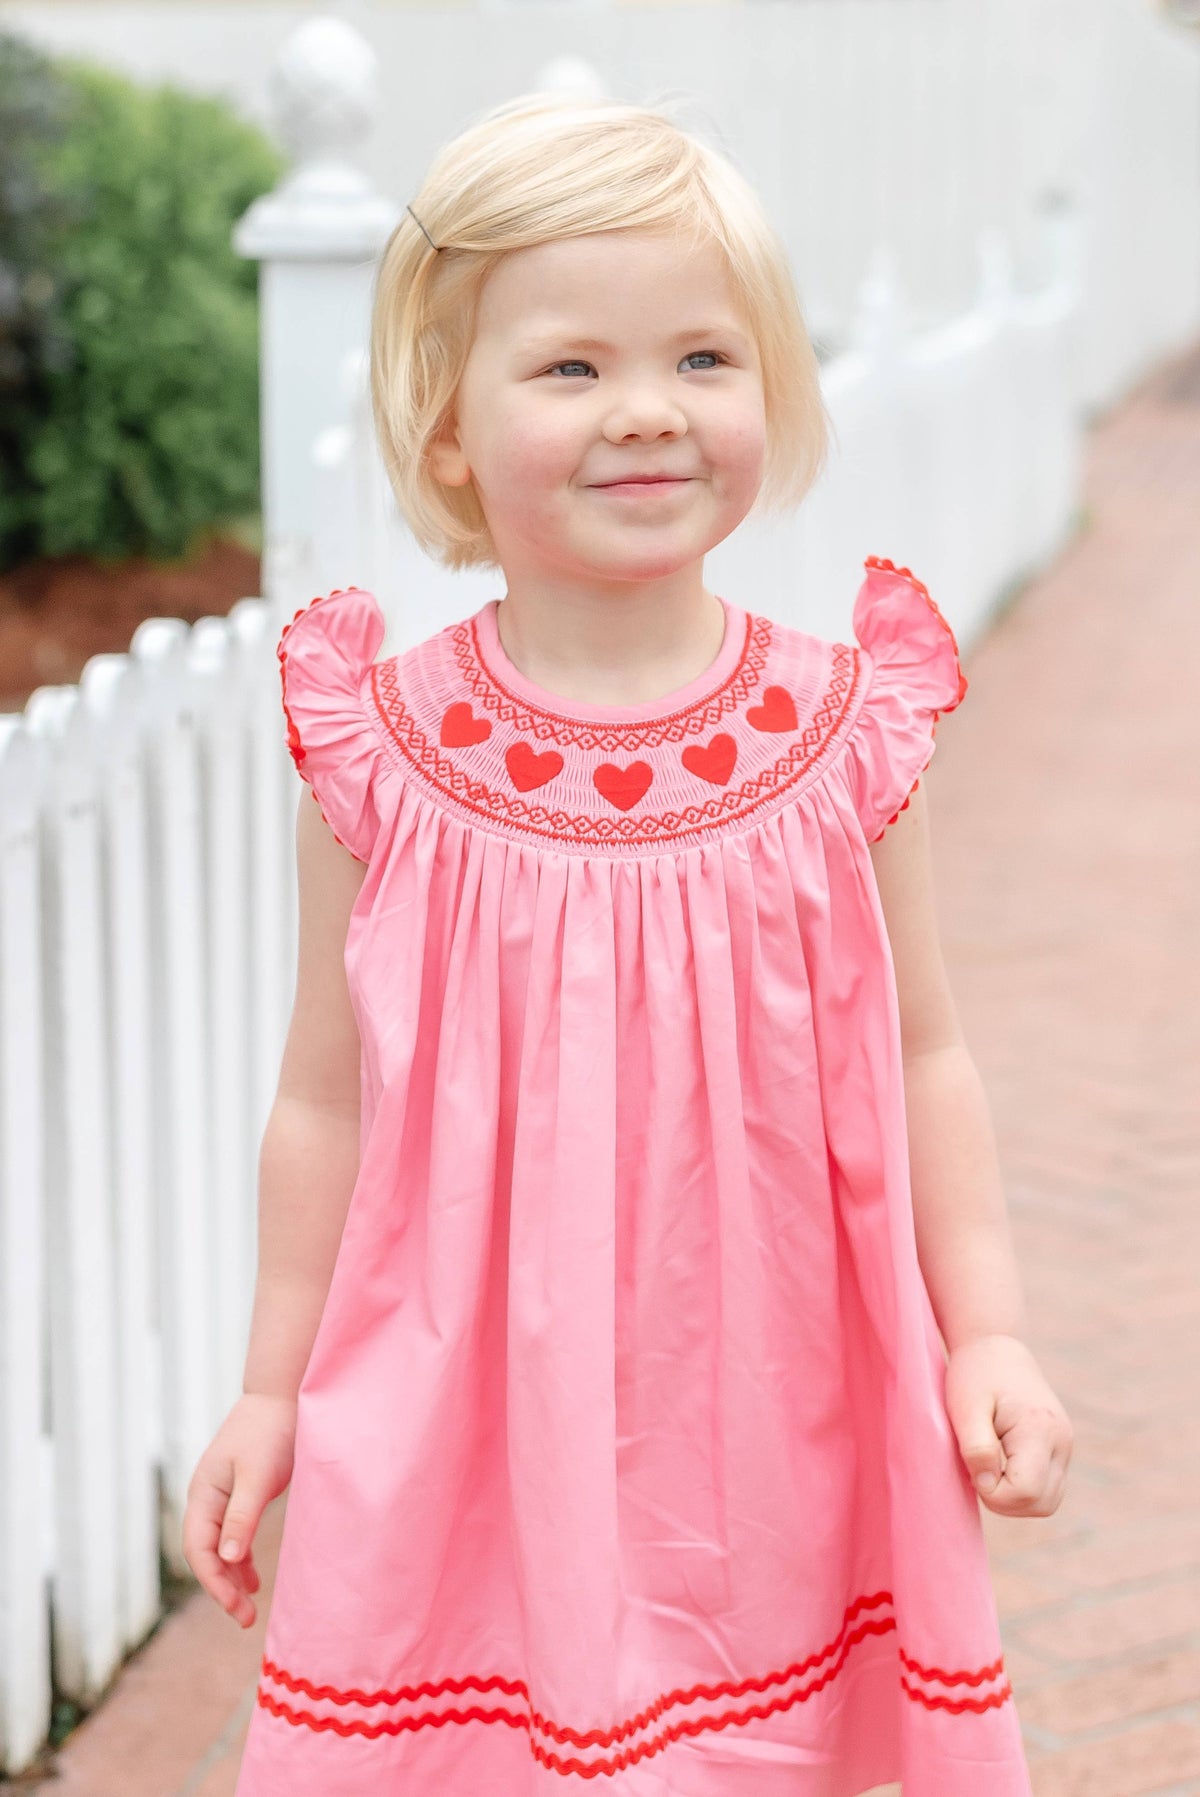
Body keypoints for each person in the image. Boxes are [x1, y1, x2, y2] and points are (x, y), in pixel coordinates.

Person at [185, 92, 1072, 1797]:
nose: (648, 414)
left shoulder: (840, 734)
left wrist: (993, 1331)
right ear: (444, 426)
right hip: (473, 1406)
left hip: (769, 1395)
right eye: (571, 367)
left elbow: (924, 1049)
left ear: (772, 390)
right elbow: (323, 1097)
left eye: (703, 360)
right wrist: (269, 1387)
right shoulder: (387, 755)